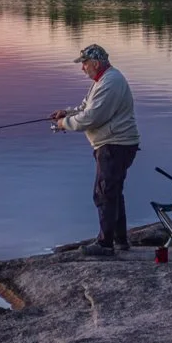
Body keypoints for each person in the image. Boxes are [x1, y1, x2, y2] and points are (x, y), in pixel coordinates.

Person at [50, 44, 140, 257]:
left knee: (104, 192)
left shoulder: (110, 83)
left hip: (115, 145)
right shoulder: (103, 81)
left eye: (84, 64)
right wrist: (67, 113)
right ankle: (120, 240)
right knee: (113, 191)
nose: (82, 68)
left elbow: (91, 118)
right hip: (114, 144)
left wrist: (64, 124)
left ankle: (105, 244)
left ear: (96, 63)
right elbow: (86, 108)